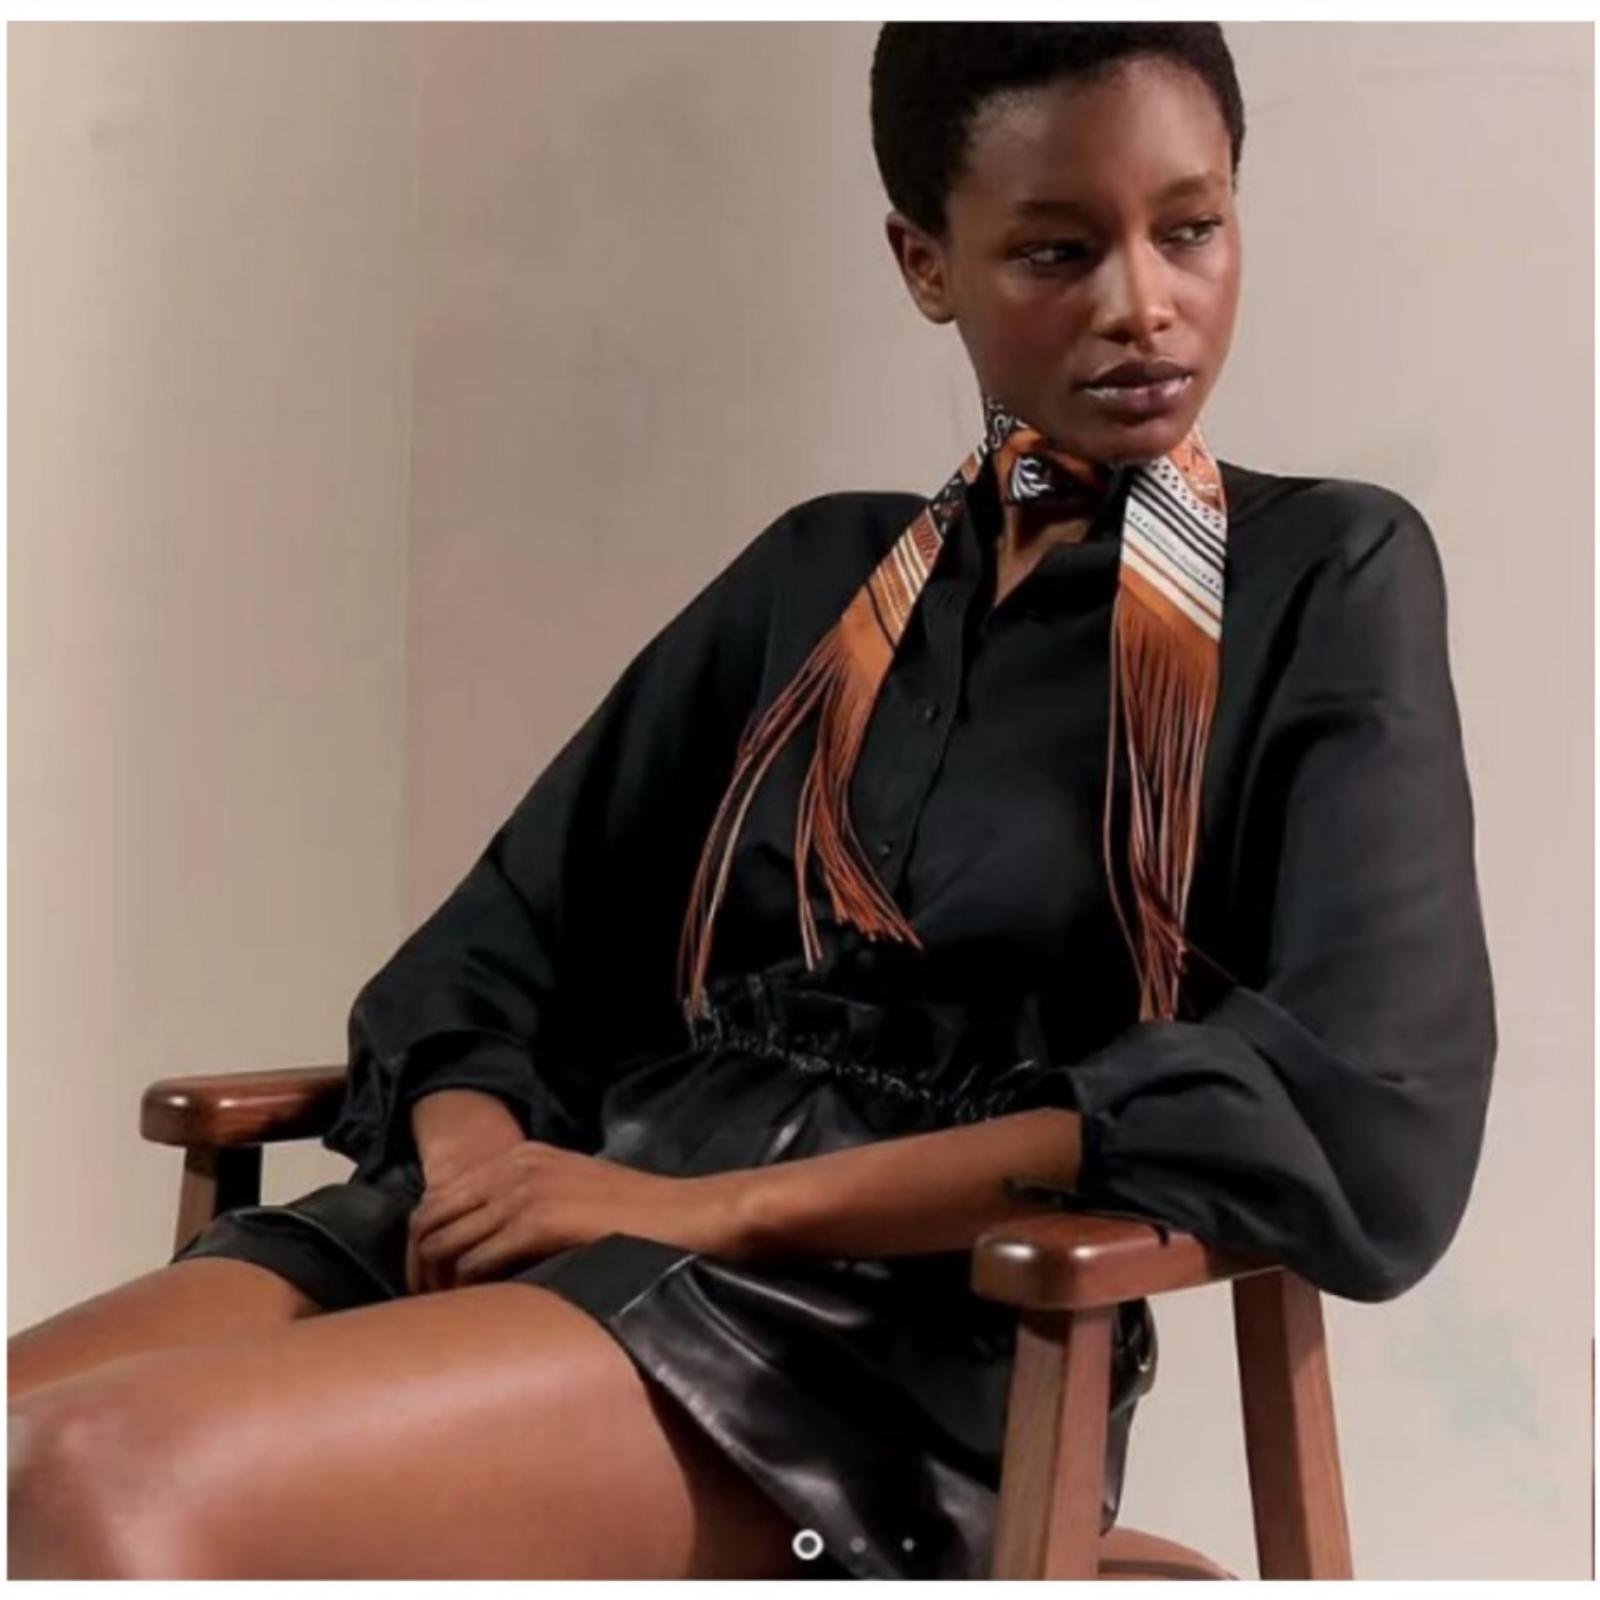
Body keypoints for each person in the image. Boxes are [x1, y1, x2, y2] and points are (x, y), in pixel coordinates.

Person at [8, 21, 1496, 1582]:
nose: (1145, 302)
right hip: (578, 1213)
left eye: (1189, 228)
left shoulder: (1326, 575)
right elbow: (499, 945)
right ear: (926, 263)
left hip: (874, 1348)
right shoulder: (819, 575)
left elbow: (1355, 1102)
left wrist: (714, 1213)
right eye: (1059, 251)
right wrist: (475, 1175)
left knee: (96, 1485)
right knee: (22, 1461)